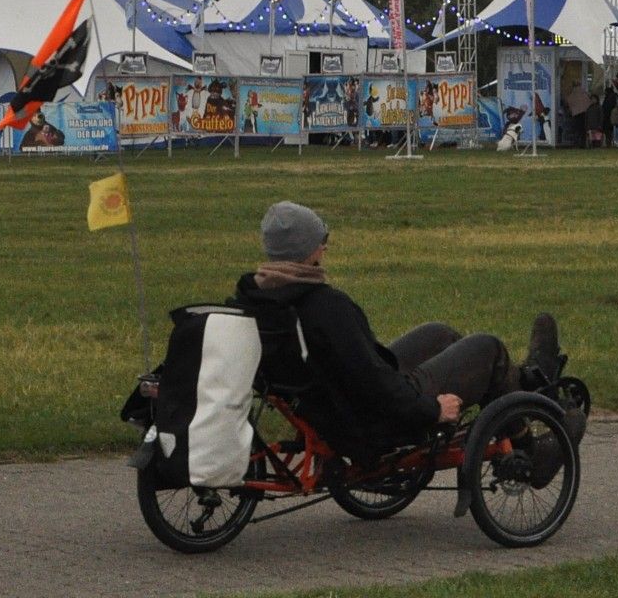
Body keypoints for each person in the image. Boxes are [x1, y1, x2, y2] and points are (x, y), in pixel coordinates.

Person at [234, 202, 584, 474]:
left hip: (334, 409)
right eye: (321, 242)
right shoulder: (325, 307)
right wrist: (432, 409)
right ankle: (530, 450)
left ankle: (524, 382)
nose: (325, 249)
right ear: (308, 250)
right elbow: (373, 382)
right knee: (486, 347)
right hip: (375, 420)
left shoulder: (260, 303)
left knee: (440, 334)